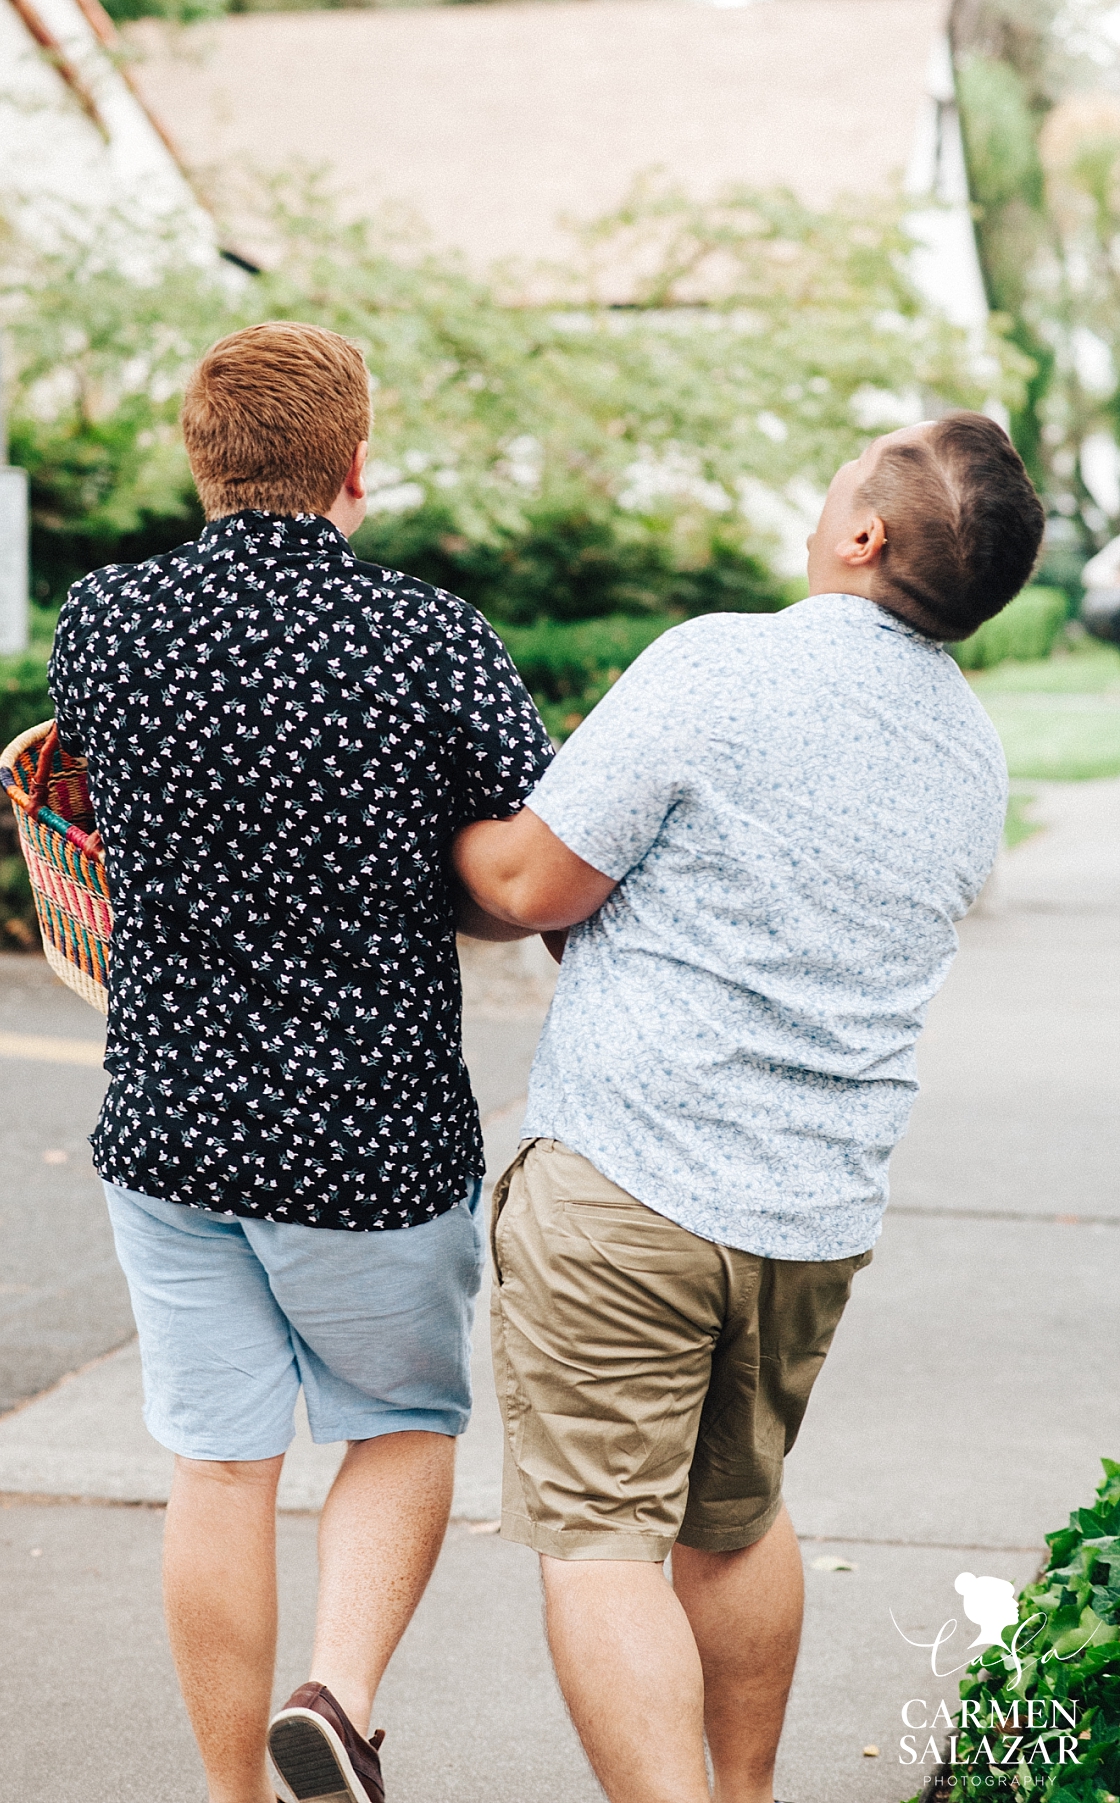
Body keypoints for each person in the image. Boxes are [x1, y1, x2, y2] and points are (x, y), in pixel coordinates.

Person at [452, 414, 1045, 1803]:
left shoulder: (724, 663)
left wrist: (415, 827)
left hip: (629, 1185)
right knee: (736, 1519)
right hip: (811, 1217)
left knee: (604, 1544)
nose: (837, 473)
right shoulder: (973, 757)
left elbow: (532, 887)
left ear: (863, 535)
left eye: (854, 467)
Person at [47, 320, 552, 1803]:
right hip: (371, 1133)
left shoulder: (104, 624)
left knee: (216, 1464)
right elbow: (527, 860)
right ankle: (334, 1697)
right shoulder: (428, 637)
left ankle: (231, 1795)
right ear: (354, 464)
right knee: (399, 1424)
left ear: (202, 462)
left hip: (169, 1120)